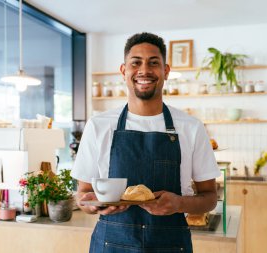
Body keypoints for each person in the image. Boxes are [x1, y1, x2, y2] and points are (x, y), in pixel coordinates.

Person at [72, 32, 221, 253]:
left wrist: (179, 204)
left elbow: (210, 197)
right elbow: (82, 194)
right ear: (124, 71)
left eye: (153, 63)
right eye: (136, 63)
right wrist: (94, 205)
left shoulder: (191, 127)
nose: (144, 70)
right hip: (112, 244)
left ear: (166, 71)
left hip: (171, 245)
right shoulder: (98, 126)